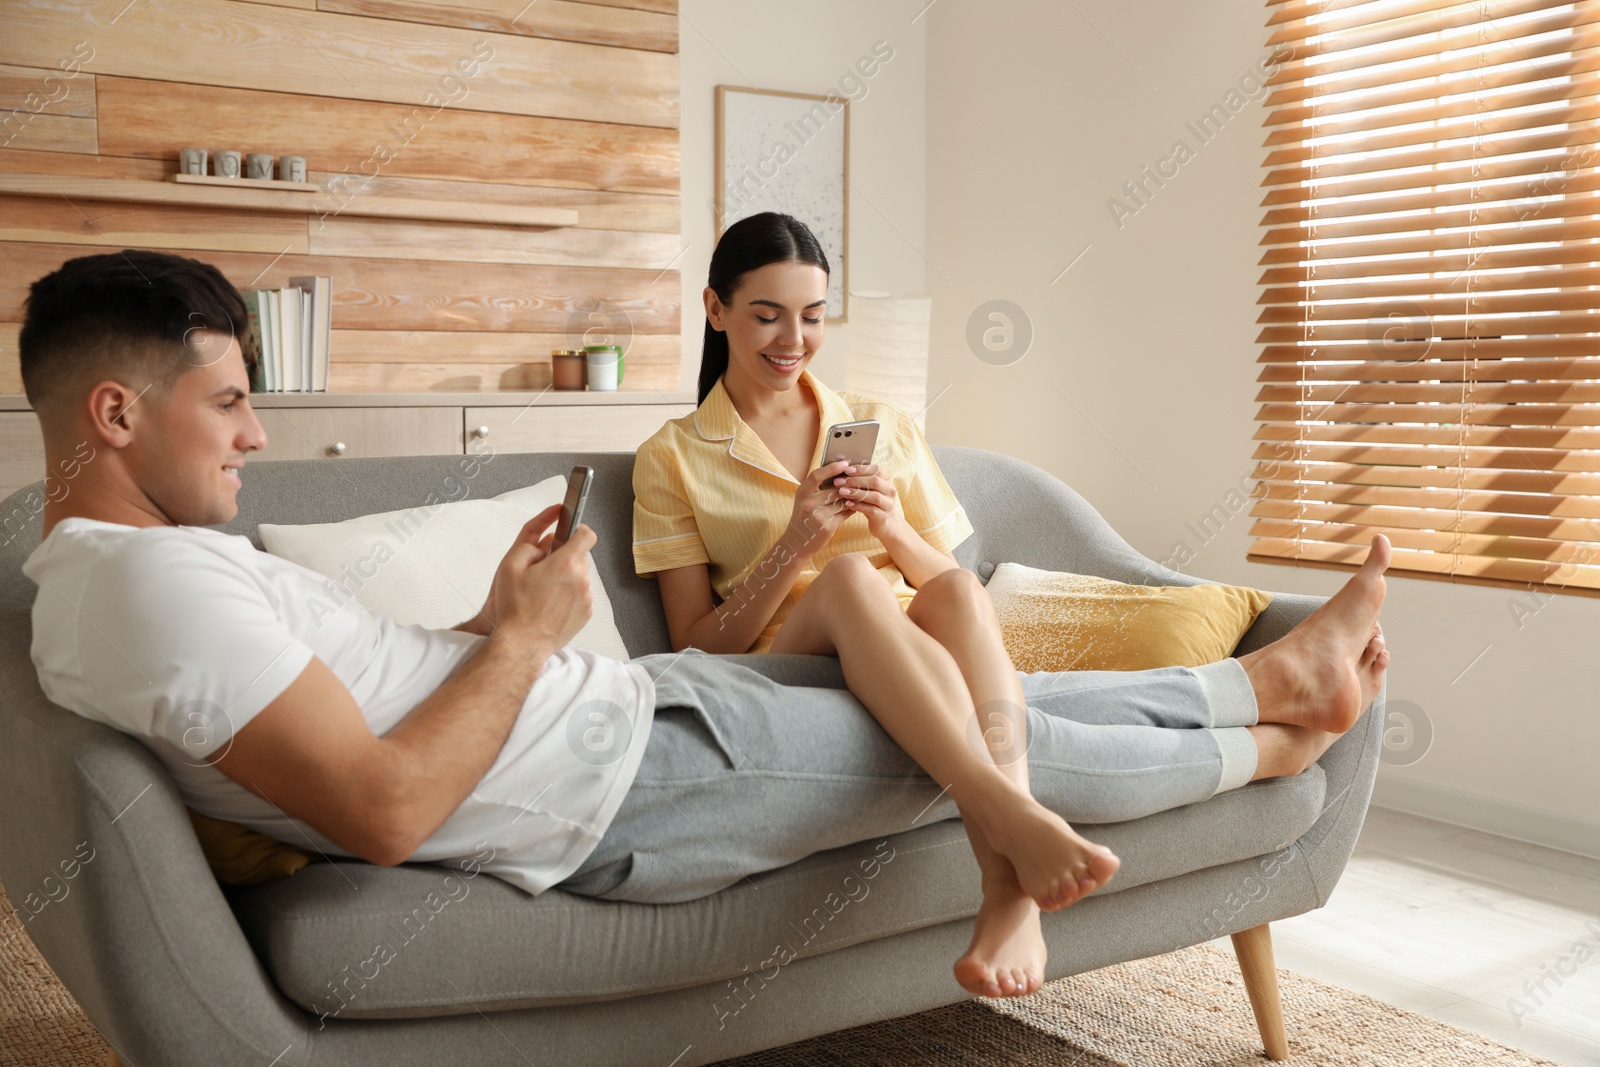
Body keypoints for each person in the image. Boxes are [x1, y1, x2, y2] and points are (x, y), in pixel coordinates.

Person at [21, 250, 1390, 1008]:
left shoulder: (124, 576)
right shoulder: (146, 585)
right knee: (974, 746)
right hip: (637, 776)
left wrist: (498, 619)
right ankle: (1267, 724)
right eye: (228, 403)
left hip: (639, 720)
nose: (259, 432)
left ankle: (1263, 692)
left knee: (941, 674)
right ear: (116, 416)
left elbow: (361, 702)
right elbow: (383, 808)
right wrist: (527, 640)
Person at [633, 212, 1389, 998]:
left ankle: (1009, 885)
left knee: (956, 586)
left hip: (904, 654)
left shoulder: (877, 423)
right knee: (852, 580)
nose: (793, 338)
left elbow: (949, 583)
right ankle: (1018, 807)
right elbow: (697, 644)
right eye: (767, 315)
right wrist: (795, 542)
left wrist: (889, 524)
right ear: (716, 309)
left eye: (813, 316)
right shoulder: (674, 456)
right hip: (783, 667)